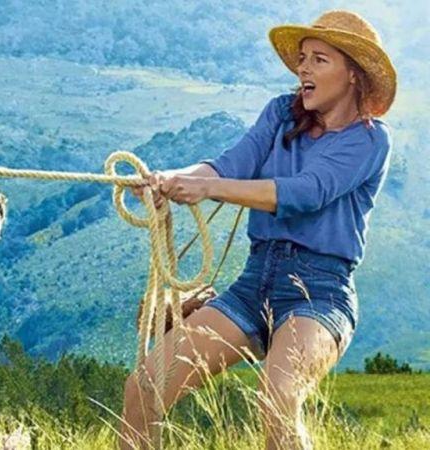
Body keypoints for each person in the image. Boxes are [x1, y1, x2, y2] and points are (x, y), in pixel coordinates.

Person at [121, 10, 396, 450]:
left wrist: (207, 188)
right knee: (144, 387)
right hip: (255, 281)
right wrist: (172, 179)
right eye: (303, 58)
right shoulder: (280, 114)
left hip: (321, 292)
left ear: (352, 74)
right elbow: (231, 163)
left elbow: (307, 192)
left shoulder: (370, 139)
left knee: (278, 395)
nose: (304, 69)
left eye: (319, 59)